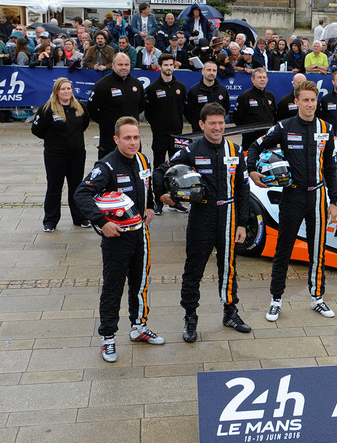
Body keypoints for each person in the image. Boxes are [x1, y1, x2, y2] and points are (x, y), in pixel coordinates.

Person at [154, 103, 251, 342]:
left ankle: (230, 312)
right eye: (212, 123)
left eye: (221, 123)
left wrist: (242, 223)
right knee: (194, 269)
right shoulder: (192, 150)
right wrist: (162, 195)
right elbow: (160, 171)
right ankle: (190, 317)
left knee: (228, 268)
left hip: (229, 216)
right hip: (202, 216)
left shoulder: (236, 151)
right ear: (201, 125)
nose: (217, 128)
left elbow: (243, 189)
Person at [246, 80, 337, 322]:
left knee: (317, 250)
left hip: (318, 196)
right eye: (305, 100)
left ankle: (317, 297)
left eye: (313, 100)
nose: (310, 104)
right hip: (292, 195)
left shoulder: (327, 128)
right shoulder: (284, 127)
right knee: (283, 249)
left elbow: (331, 167)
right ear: (296, 102)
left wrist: (334, 200)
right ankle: (276, 299)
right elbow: (254, 147)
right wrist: (253, 171)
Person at [74, 117, 161, 363]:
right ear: (116, 139)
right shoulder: (107, 166)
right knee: (113, 288)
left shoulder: (143, 160)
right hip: (117, 238)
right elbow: (81, 194)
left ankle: (139, 327)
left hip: (141, 234)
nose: (133, 142)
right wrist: (102, 222)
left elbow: (147, 187)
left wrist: (151, 206)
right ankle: (108, 338)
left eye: (136, 137)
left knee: (140, 284)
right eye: (127, 138)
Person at [31, 78, 91, 232]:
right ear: (57, 91)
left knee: (76, 188)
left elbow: (84, 124)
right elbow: (37, 130)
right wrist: (54, 141)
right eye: (63, 89)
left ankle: (80, 218)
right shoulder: (47, 109)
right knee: (54, 188)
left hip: (77, 155)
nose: (67, 92)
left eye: (69, 88)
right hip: (55, 156)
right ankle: (50, 221)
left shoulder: (80, 107)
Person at [144, 53, 186, 215]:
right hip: (160, 135)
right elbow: (149, 113)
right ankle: (158, 202)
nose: (168, 68)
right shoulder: (153, 88)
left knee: (177, 169)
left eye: (171, 65)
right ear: (160, 66)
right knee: (159, 169)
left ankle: (175, 201)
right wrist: (157, 127)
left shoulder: (180, 87)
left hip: (177, 136)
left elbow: (183, 108)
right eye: (165, 65)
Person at [87, 53, 145, 160]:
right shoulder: (102, 85)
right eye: (120, 64)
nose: (124, 67)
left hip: (132, 142)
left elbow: (141, 106)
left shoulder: (137, 84)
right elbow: (91, 109)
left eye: (126, 65)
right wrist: (107, 122)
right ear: (113, 65)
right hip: (110, 140)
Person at [233, 67, 276, 149]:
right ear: (253, 80)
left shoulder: (270, 96)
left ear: (267, 80)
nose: (262, 80)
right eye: (259, 77)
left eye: (264, 77)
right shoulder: (245, 96)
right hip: (250, 139)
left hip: (268, 138)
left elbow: (274, 115)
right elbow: (237, 118)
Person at [185, 60, 230, 132]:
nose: (211, 73)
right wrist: (196, 123)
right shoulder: (194, 90)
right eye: (209, 70)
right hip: (199, 131)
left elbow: (226, 109)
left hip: (217, 131)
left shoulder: (223, 90)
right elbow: (188, 111)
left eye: (214, 70)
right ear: (203, 71)